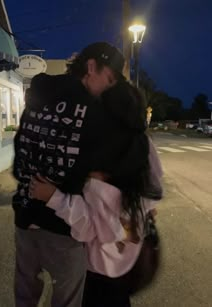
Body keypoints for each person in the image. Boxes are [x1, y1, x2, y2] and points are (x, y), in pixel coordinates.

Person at [29, 82, 163, 307]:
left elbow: (90, 228)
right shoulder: (144, 145)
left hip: (100, 268)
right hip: (130, 262)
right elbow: (154, 194)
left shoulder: (99, 166)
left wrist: (53, 197)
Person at [12, 42, 125, 307]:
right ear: (91, 67)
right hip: (63, 226)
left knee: (24, 296)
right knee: (68, 300)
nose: (107, 88)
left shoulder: (38, 93)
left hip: (25, 216)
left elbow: (19, 150)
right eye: (108, 79)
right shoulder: (94, 112)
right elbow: (98, 174)